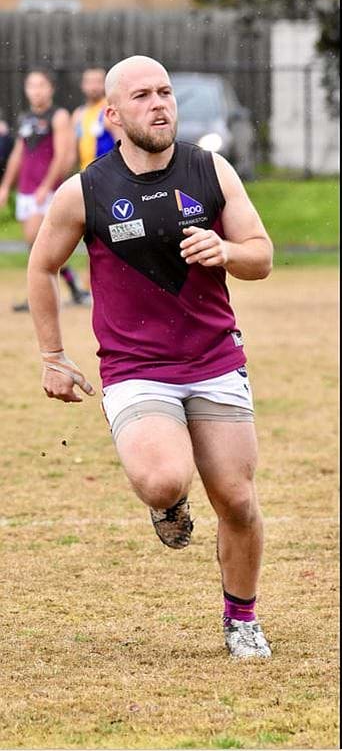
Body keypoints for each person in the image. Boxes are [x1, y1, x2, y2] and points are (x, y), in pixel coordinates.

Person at [27, 55, 275, 659]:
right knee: (164, 477)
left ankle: (240, 619)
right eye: (142, 96)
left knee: (238, 501)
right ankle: (169, 504)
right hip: (136, 369)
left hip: (214, 360)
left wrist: (225, 249)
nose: (159, 104)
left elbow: (262, 255)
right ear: (112, 114)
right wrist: (53, 356)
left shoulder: (209, 170)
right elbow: (41, 266)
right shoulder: (84, 190)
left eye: (165, 93)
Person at [0, 69, 89, 310]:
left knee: (37, 243)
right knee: (38, 248)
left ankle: (40, 297)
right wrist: (6, 186)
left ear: (50, 89)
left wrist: (46, 186)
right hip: (26, 190)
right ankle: (72, 289)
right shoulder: (26, 118)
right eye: (31, 85)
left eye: (41, 85)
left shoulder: (58, 116)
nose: (36, 90)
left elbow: (62, 157)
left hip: (45, 191)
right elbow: (19, 154)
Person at [72, 66, 121, 171]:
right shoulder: (78, 114)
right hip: (86, 173)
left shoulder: (110, 111)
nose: (93, 87)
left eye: (98, 82)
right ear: (82, 85)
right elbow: (73, 152)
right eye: (89, 82)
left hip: (108, 172)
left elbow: (123, 146)